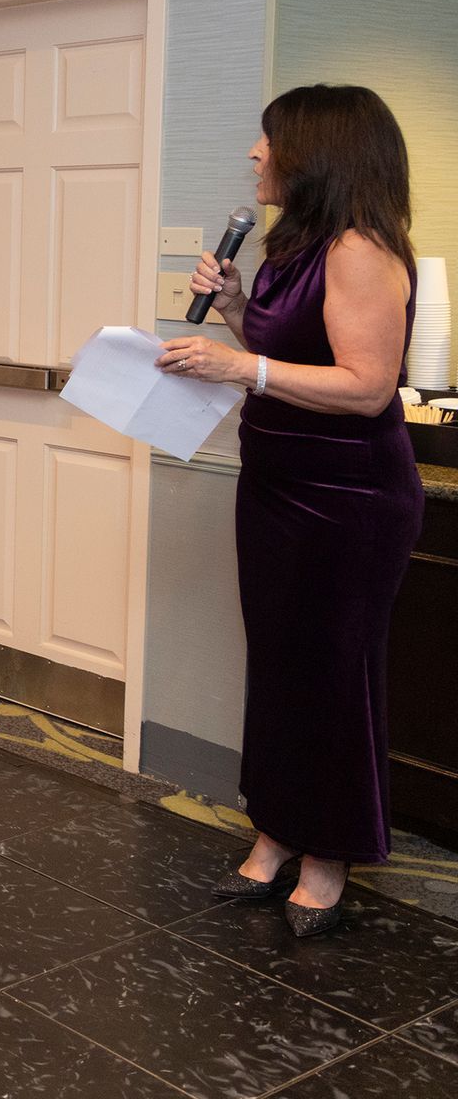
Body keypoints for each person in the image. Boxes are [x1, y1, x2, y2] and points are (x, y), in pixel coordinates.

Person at [169, 84, 422, 938]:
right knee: (278, 667)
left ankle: (330, 855)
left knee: (332, 679)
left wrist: (238, 366)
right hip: (276, 482)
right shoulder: (293, 247)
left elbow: (366, 387)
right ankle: (275, 833)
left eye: (268, 140)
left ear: (317, 152)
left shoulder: (359, 249)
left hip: (349, 499)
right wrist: (242, 308)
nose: (254, 154)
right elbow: (289, 351)